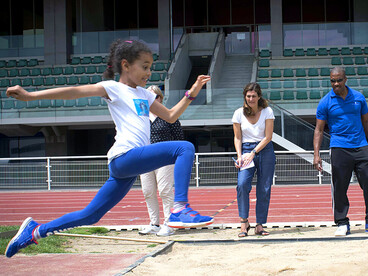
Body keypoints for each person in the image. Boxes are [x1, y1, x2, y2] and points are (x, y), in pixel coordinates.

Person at [5, 39, 213, 258]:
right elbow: (73, 92)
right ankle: (179, 208)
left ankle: (35, 231)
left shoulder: (145, 94)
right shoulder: (113, 88)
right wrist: (30, 96)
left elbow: (170, 116)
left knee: (91, 215)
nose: (149, 72)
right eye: (144, 66)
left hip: (127, 167)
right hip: (125, 156)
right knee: (184, 148)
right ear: (125, 65)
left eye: (150, 67)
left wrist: (193, 90)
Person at [313, 66, 368, 236]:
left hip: (361, 147)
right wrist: (316, 155)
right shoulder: (325, 102)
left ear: (345, 79)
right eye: (332, 81)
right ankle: (342, 222)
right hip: (339, 148)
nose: (335, 84)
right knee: (339, 187)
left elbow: (366, 123)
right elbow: (319, 130)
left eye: (338, 80)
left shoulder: (359, 98)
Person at [139, 85, 184, 237]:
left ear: (159, 98)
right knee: (148, 191)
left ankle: (169, 224)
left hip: (165, 159)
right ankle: (154, 224)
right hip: (145, 159)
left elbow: (178, 139)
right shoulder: (141, 118)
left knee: (165, 190)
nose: (150, 100)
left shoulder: (169, 116)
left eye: (154, 97)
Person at [232, 82, 275, 237]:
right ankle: (244, 222)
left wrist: (254, 152)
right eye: (248, 96)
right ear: (245, 96)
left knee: (264, 188)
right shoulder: (238, 113)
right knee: (242, 184)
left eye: (253, 96)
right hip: (245, 150)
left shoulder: (267, 111)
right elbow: (237, 137)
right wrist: (239, 156)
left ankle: (260, 224)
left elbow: (268, 137)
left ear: (259, 97)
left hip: (265, 150)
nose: (251, 99)